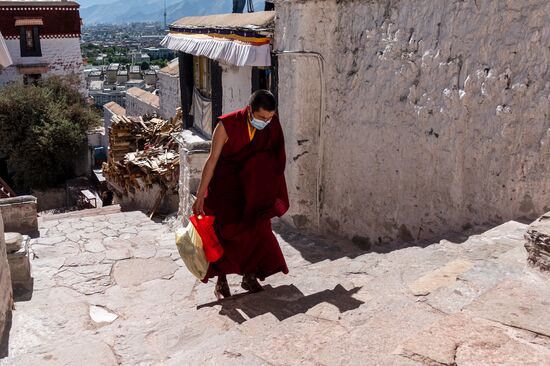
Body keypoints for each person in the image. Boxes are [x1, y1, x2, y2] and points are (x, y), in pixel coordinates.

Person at [192, 90, 290, 299]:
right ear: (249, 111)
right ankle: (222, 282)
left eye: (270, 117)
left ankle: (250, 275)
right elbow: (212, 161)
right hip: (226, 188)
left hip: (253, 189)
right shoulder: (227, 125)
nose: (266, 122)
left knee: (256, 231)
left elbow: (275, 156)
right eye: (262, 117)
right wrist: (200, 194)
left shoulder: (271, 124)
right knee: (223, 233)